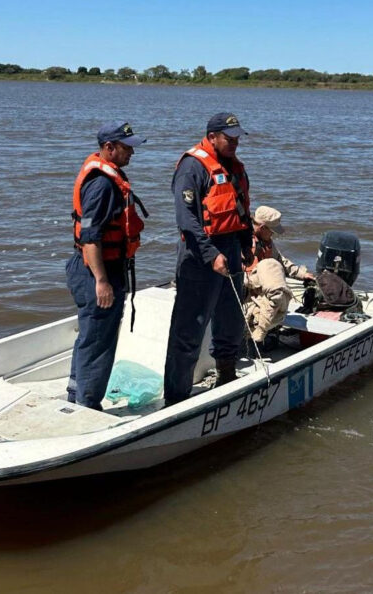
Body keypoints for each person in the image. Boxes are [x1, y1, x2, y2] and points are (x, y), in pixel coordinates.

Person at [163, 113, 254, 406]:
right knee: (189, 328)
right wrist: (210, 254)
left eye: (238, 138)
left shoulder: (234, 167)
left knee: (230, 319)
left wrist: (246, 243)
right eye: (230, 138)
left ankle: (226, 374)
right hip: (199, 254)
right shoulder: (193, 167)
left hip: (230, 250)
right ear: (212, 136)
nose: (235, 143)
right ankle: (176, 397)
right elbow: (186, 220)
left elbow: (240, 209)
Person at [66, 121, 147, 410]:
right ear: (108, 148)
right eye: (127, 148)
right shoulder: (102, 184)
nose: (132, 154)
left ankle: (76, 394)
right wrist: (102, 281)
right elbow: (90, 236)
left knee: (90, 336)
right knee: (98, 342)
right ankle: (87, 406)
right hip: (97, 271)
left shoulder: (107, 177)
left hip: (90, 267)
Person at [243, 205, 314, 350]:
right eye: (272, 231)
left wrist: (302, 274)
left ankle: (266, 331)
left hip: (263, 289)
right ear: (262, 227)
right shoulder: (244, 241)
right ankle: (257, 334)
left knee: (277, 279)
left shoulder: (266, 241)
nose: (273, 235)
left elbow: (282, 262)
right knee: (273, 275)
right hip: (247, 290)